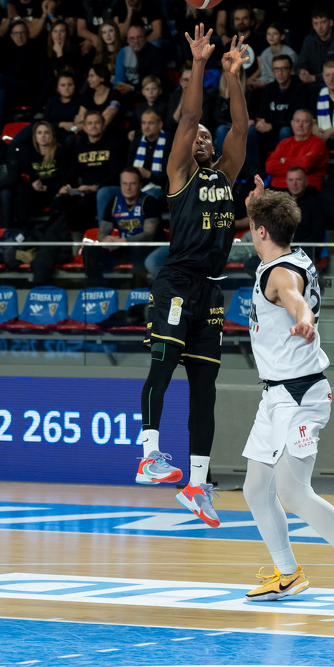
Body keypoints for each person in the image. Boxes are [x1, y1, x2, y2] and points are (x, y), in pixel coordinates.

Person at [240, 183, 334, 612]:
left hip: (300, 394)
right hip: (276, 395)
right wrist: (256, 204)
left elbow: (293, 298)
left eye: (253, 225)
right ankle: (288, 574)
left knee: (292, 492)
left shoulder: (279, 275)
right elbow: (274, 239)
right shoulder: (292, 254)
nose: (250, 231)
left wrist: (304, 319)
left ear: (262, 232)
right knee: (256, 489)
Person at [136, 27, 250, 527]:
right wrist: (200, 65)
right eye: (197, 136)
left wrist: (234, 77)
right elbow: (188, 117)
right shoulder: (179, 175)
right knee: (163, 366)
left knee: (206, 389)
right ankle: (149, 454)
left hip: (211, 290)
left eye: (207, 136)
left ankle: (197, 484)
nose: (202, 138)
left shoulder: (225, 175)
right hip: (177, 282)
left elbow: (240, 129)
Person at [85, 168, 162, 283]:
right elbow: (102, 232)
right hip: (124, 247)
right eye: (124, 183)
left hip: (146, 248)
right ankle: (98, 288)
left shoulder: (149, 202)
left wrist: (123, 241)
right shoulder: (114, 202)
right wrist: (106, 239)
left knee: (139, 250)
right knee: (89, 250)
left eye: (132, 183)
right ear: (120, 185)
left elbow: (148, 235)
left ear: (140, 185)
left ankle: (139, 289)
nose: (128, 188)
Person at [266, 110, 328, 190]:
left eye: (305, 121)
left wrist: (283, 160)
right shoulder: (284, 143)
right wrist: (300, 167)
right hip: (277, 190)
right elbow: (270, 167)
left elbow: (306, 164)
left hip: (306, 191)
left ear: (312, 124)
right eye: (297, 121)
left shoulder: (318, 143)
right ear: (292, 123)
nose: (300, 125)